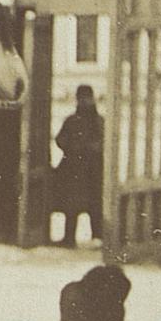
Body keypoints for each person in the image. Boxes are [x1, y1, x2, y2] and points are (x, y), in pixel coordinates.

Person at [54, 85, 104, 247]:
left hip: (92, 169)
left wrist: (88, 148)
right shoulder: (71, 121)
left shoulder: (98, 122)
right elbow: (60, 139)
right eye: (81, 98)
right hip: (73, 168)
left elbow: (103, 142)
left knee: (94, 204)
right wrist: (72, 147)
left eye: (86, 98)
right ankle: (69, 238)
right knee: (71, 206)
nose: (84, 102)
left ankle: (97, 237)